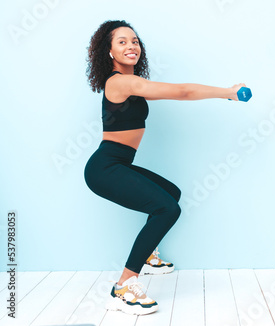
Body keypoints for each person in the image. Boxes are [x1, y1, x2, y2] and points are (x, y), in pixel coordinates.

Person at [84, 20, 246, 316]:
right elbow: (183, 91)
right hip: (104, 167)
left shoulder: (131, 82)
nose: (131, 46)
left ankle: (146, 255)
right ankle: (123, 286)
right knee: (167, 209)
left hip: (118, 163)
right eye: (121, 42)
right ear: (108, 51)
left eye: (134, 41)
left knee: (171, 193)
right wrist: (228, 92)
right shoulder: (120, 82)